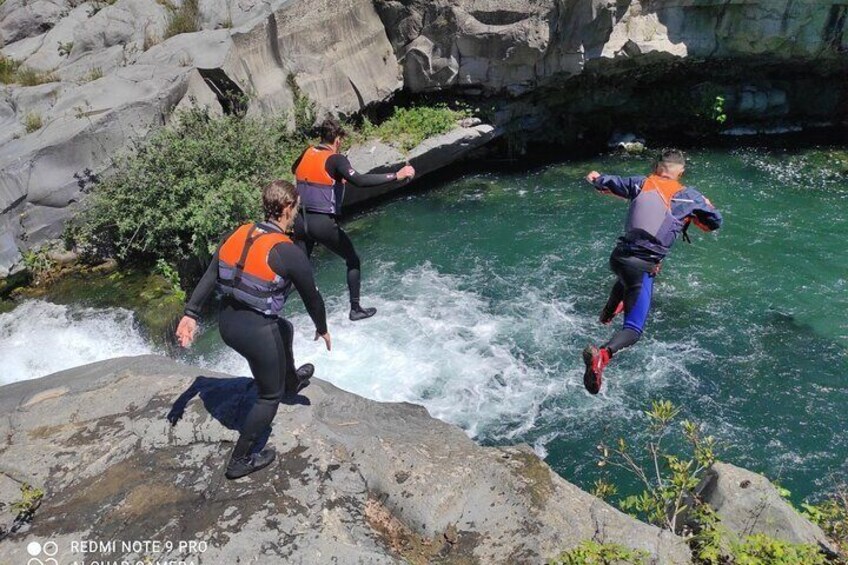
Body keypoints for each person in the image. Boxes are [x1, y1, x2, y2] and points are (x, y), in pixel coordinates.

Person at [175, 180, 332, 479]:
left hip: (228, 323)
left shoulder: (239, 232)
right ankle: (240, 460)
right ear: (287, 209)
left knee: (284, 328)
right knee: (268, 397)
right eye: (296, 207)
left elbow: (211, 274)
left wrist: (190, 314)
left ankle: (290, 382)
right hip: (256, 332)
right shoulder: (287, 252)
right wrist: (322, 328)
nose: (297, 213)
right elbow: (312, 296)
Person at [582, 149, 722, 395]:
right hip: (642, 266)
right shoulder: (690, 197)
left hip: (618, 258)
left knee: (629, 276)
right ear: (681, 171)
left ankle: (608, 311)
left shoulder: (640, 182)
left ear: (658, 167)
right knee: (634, 330)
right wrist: (708, 205)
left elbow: (602, 181)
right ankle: (602, 355)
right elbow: (714, 222)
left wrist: (594, 177)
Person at [292, 117, 416, 321]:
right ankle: (355, 309)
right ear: (338, 139)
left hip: (299, 221)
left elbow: (296, 170)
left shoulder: (307, 152)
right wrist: (396, 175)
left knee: (297, 272)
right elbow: (358, 180)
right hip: (322, 222)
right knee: (352, 259)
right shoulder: (336, 159)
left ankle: (266, 302)